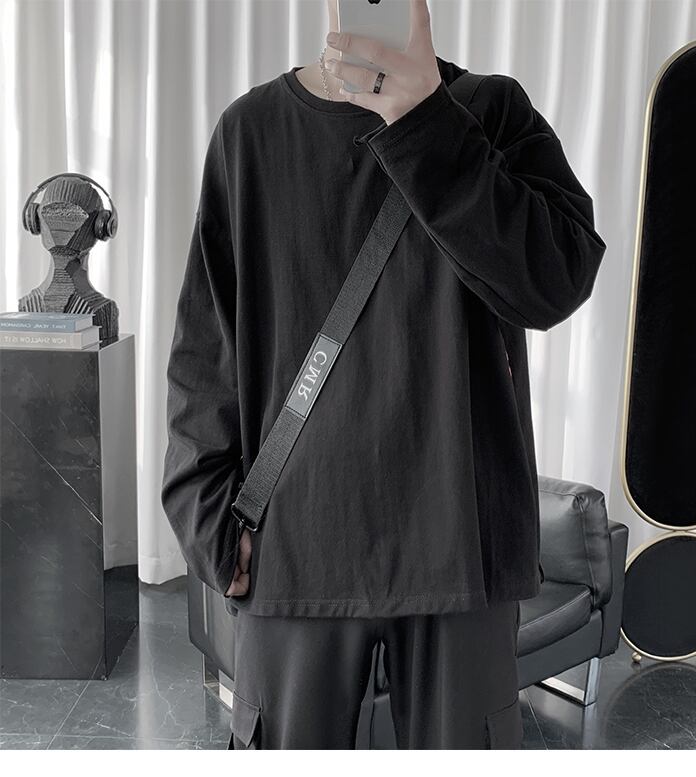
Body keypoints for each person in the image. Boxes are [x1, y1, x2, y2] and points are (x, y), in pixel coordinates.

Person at [161, 0, 606, 750]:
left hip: (461, 541)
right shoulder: (252, 132)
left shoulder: (491, 112)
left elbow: (557, 280)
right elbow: (205, 351)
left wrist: (429, 122)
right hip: (294, 544)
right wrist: (208, 518)